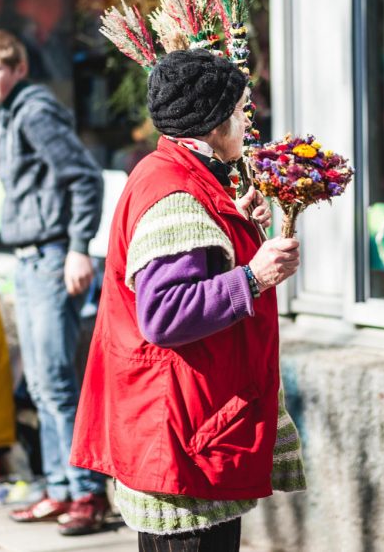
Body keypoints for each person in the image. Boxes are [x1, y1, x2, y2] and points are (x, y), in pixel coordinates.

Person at [70, 49, 306, 551]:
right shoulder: (177, 193)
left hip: (183, 425)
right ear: (214, 120)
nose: (248, 119)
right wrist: (255, 277)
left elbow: (191, 257)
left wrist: (234, 217)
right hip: (182, 437)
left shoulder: (171, 171)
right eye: (242, 109)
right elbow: (164, 313)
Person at [0, 29, 108, 536]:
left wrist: (78, 249)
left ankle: (87, 494)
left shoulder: (34, 111)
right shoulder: (9, 112)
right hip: (26, 262)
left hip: (53, 258)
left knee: (56, 382)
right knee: (42, 386)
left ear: (19, 68)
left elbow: (85, 178)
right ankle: (58, 488)